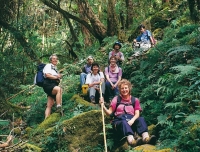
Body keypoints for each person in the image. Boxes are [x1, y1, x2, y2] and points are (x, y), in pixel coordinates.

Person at [99, 79, 156, 147]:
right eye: (122, 88)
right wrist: (102, 106)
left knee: (141, 119)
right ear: (119, 90)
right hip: (119, 122)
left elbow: (137, 114)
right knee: (124, 122)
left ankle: (146, 138)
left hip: (131, 121)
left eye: (126, 88)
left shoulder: (135, 100)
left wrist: (132, 120)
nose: (124, 90)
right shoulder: (116, 99)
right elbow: (109, 112)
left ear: (129, 88)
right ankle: (131, 141)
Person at [42, 54, 63, 119]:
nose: (55, 60)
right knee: (59, 90)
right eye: (54, 58)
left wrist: (58, 77)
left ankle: (46, 120)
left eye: (56, 59)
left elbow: (55, 77)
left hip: (53, 85)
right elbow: (47, 75)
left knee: (49, 105)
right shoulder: (48, 65)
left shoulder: (55, 68)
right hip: (48, 84)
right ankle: (59, 106)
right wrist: (57, 77)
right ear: (50, 60)